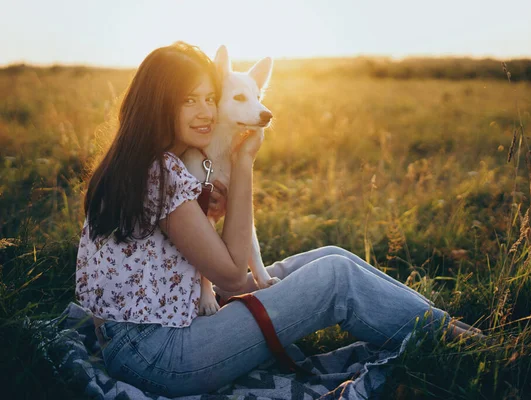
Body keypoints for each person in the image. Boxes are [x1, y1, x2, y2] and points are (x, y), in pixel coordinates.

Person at [75, 41, 483, 397]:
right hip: (161, 356)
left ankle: (445, 326)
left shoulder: (138, 162)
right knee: (335, 279)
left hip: (142, 335)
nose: (206, 112)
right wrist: (244, 160)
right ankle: (462, 344)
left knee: (328, 254)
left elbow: (192, 253)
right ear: (158, 105)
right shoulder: (161, 173)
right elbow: (234, 275)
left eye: (209, 97)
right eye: (188, 100)